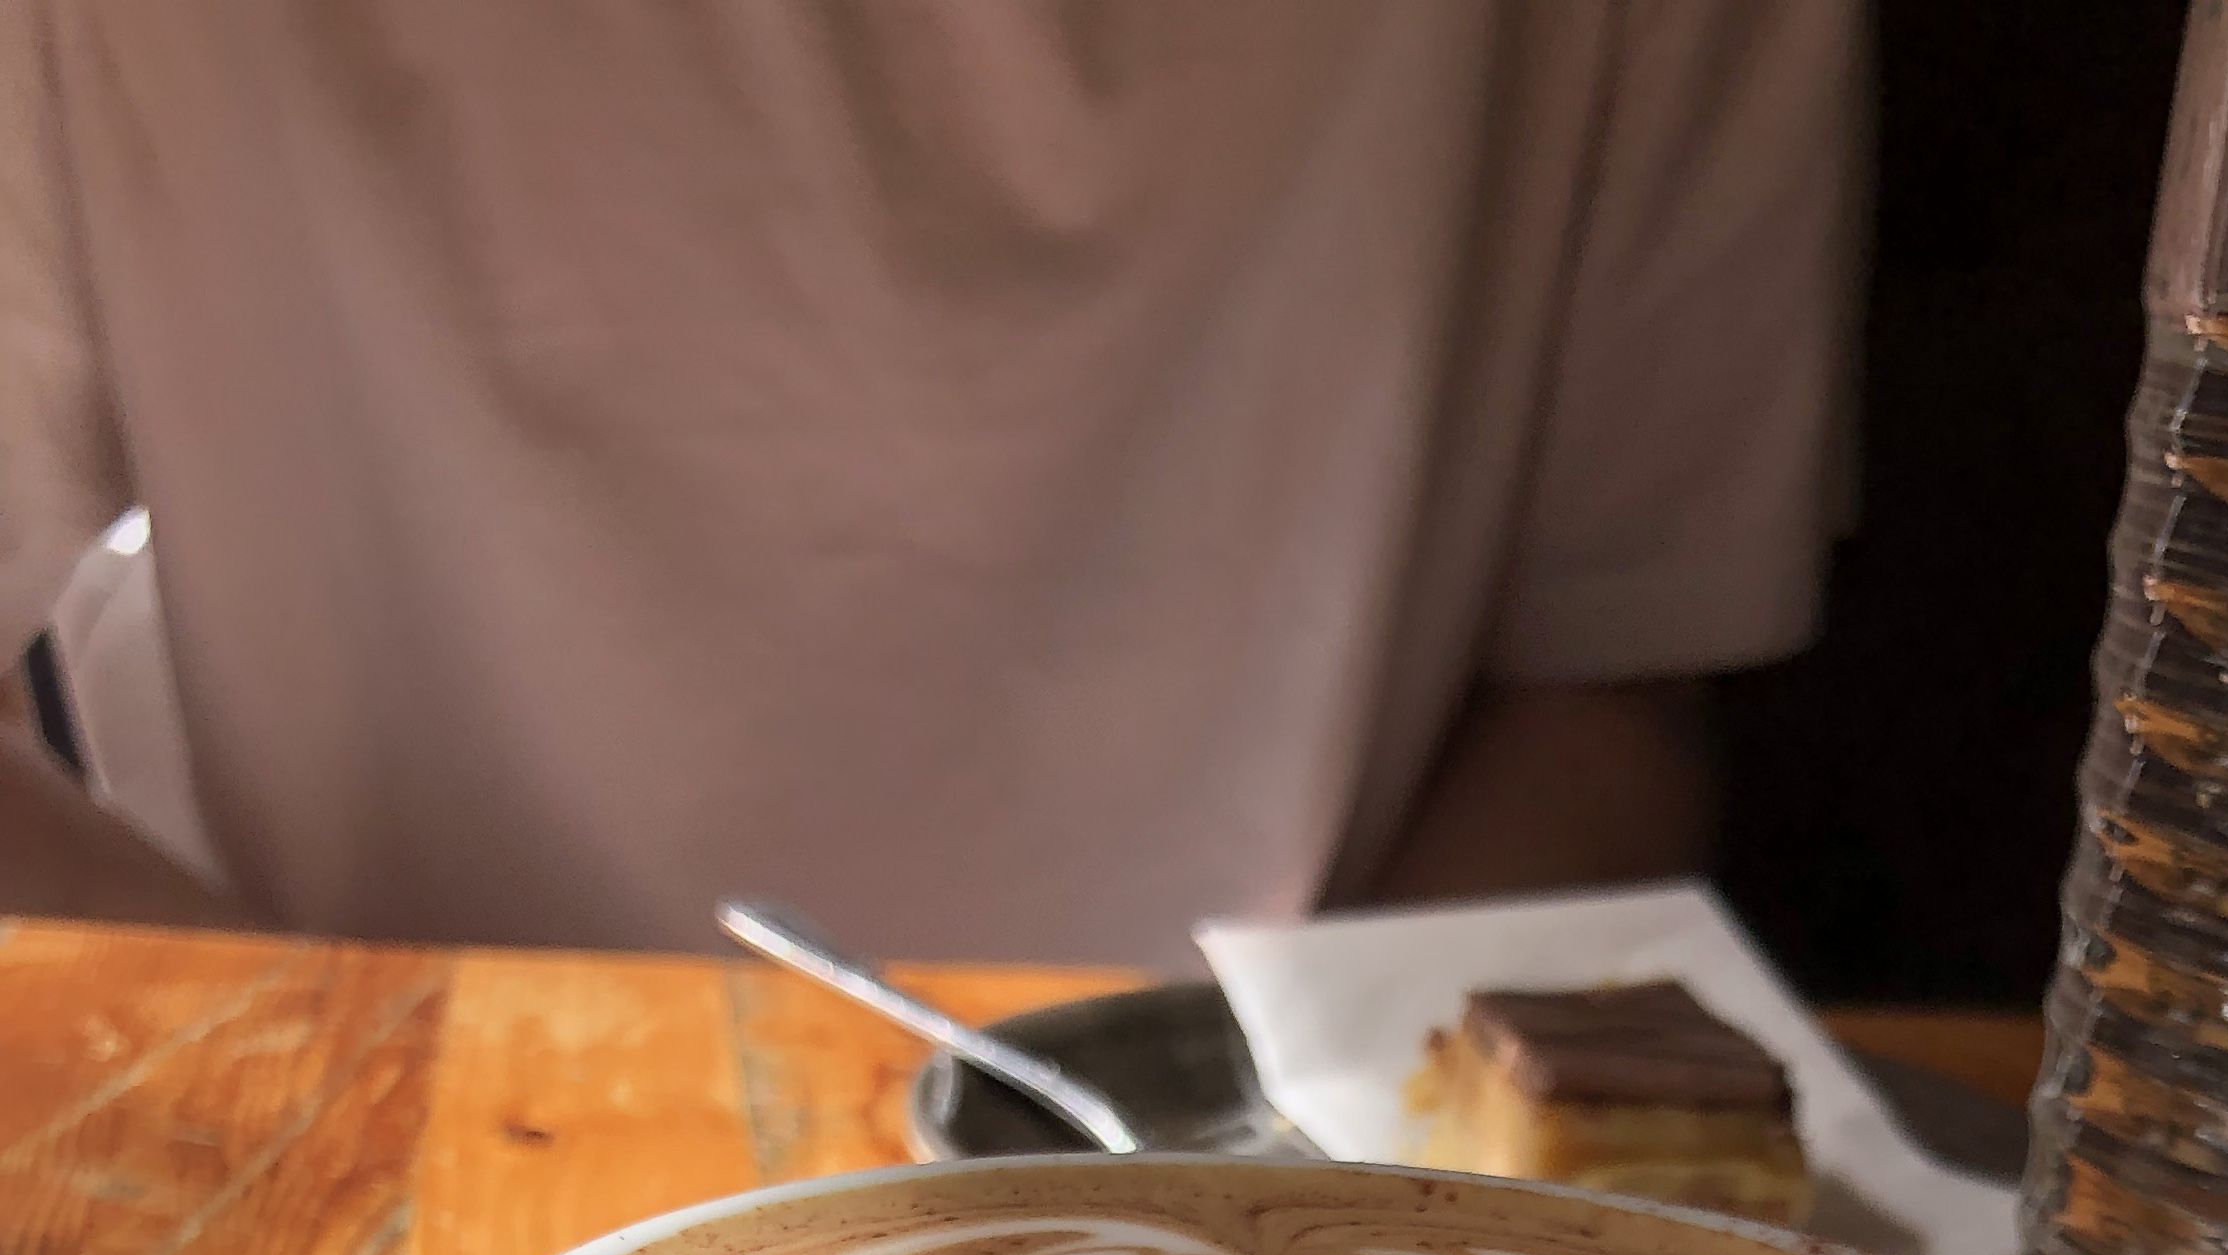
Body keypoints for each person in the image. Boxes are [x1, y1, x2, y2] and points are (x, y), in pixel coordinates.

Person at [0, 1, 1860, 963]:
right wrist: (359, 1101)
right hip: (377, 1196)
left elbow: (1606, 706)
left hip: (1260, 1241)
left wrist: (1274, 1203)